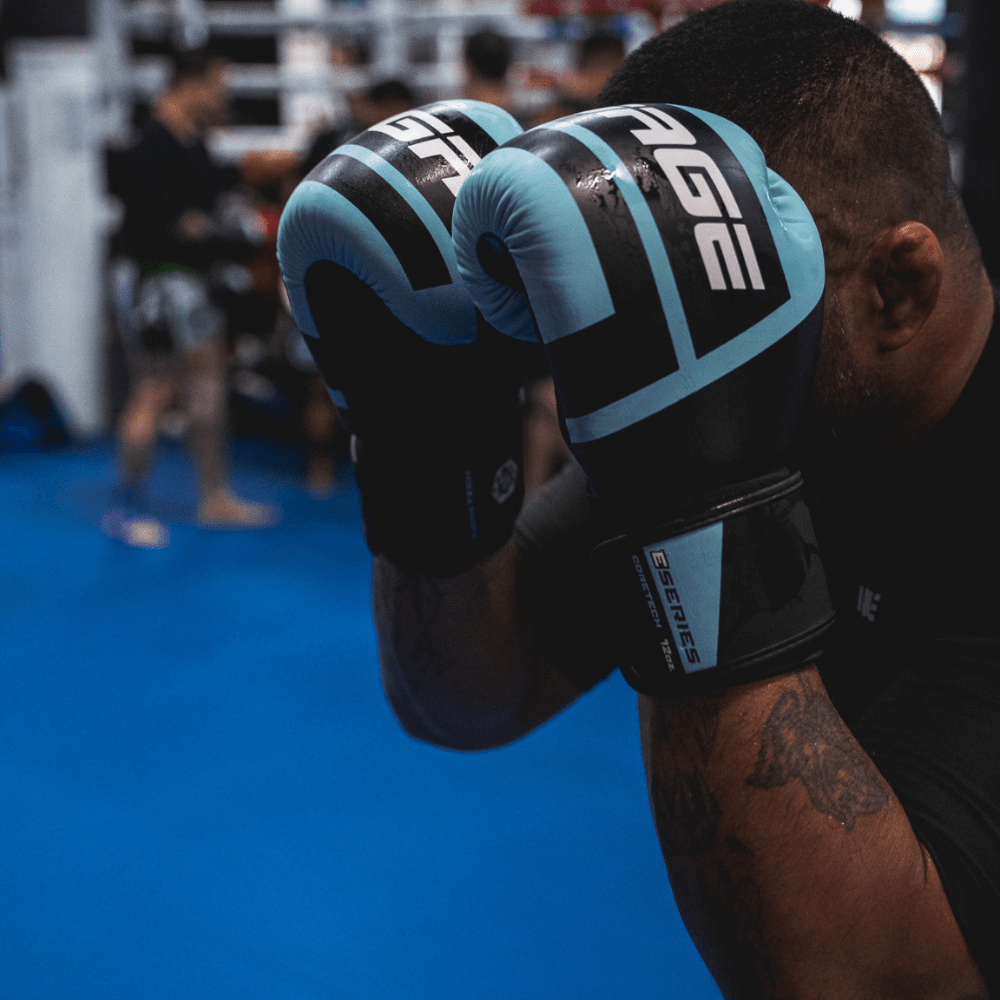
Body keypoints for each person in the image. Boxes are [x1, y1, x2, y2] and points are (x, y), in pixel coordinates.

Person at [279, 3, 998, 996]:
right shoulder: (780, 411)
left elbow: (864, 984)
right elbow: (466, 694)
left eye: (762, 298)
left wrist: (694, 499)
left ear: (898, 288)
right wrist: (428, 430)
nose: (732, 336)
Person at [107, 47, 277, 547]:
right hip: (156, 282)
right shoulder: (150, 142)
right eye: (217, 84)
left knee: (207, 389)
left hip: (194, 283)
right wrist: (227, 233)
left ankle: (214, 498)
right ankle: (127, 509)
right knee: (154, 390)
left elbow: (204, 210)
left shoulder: (192, 139)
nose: (222, 95)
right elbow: (171, 224)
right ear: (191, 81)